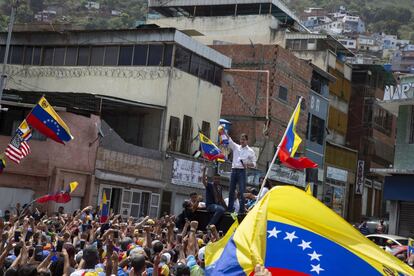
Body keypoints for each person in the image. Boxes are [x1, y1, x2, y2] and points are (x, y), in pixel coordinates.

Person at [226, 133, 257, 214]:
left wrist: (247, 164)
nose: (242, 141)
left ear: (247, 141)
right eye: (241, 139)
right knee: (231, 190)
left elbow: (254, 164)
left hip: (242, 171)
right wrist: (223, 131)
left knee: (242, 191)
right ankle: (229, 209)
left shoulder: (250, 151)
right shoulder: (236, 147)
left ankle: (241, 210)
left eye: (244, 139)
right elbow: (230, 139)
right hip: (234, 170)